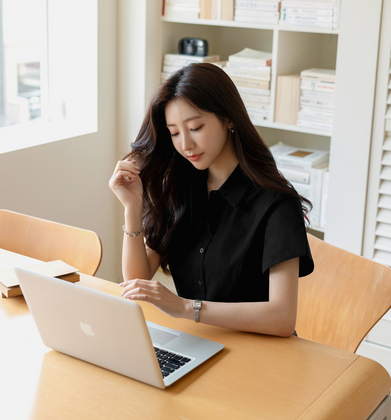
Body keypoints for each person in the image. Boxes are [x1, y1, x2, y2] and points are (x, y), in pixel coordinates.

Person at [109, 62, 314, 337]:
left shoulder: (276, 204)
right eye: (174, 133)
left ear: (228, 118)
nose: (185, 145)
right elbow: (136, 282)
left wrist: (185, 308)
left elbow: (282, 318)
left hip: (263, 356)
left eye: (195, 127)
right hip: (199, 343)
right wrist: (132, 207)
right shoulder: (179, 191)